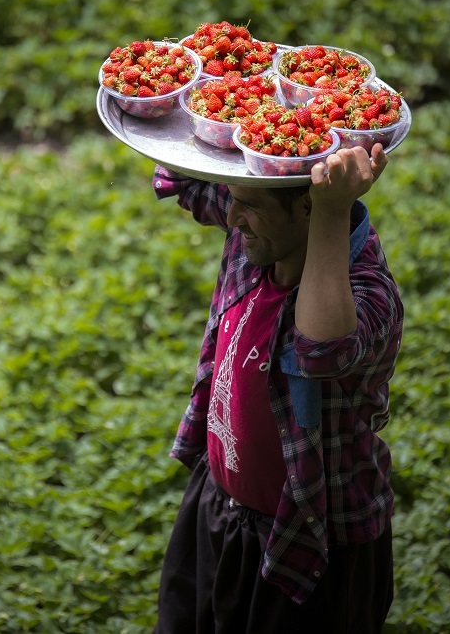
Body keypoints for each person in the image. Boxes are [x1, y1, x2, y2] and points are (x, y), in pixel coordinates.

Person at [152, 144, 403, 633]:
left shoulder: (371, 295)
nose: (234, 216)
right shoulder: (261, 237)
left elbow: (320, 350)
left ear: (309, 207)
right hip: (220, 508)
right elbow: (182, 177)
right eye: (233, 198)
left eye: (250, 205)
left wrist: (332, 208)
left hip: (308, 540)